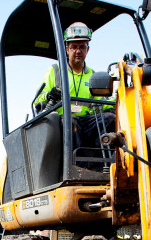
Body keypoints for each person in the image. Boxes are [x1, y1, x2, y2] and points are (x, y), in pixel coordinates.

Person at [32, 21, 115, 160]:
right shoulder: (56, 71)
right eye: (74, 47)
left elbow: (101, 101)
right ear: (66, 49)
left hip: (86, 121)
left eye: (82, 47)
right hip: (62, 122)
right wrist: (50, 94)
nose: (78, 51)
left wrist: (113, 107)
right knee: (71, 122)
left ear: (87, 49)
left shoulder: (92, 76)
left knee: (110, 119)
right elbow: (38, 100)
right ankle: (77, 168)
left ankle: (101, 164)